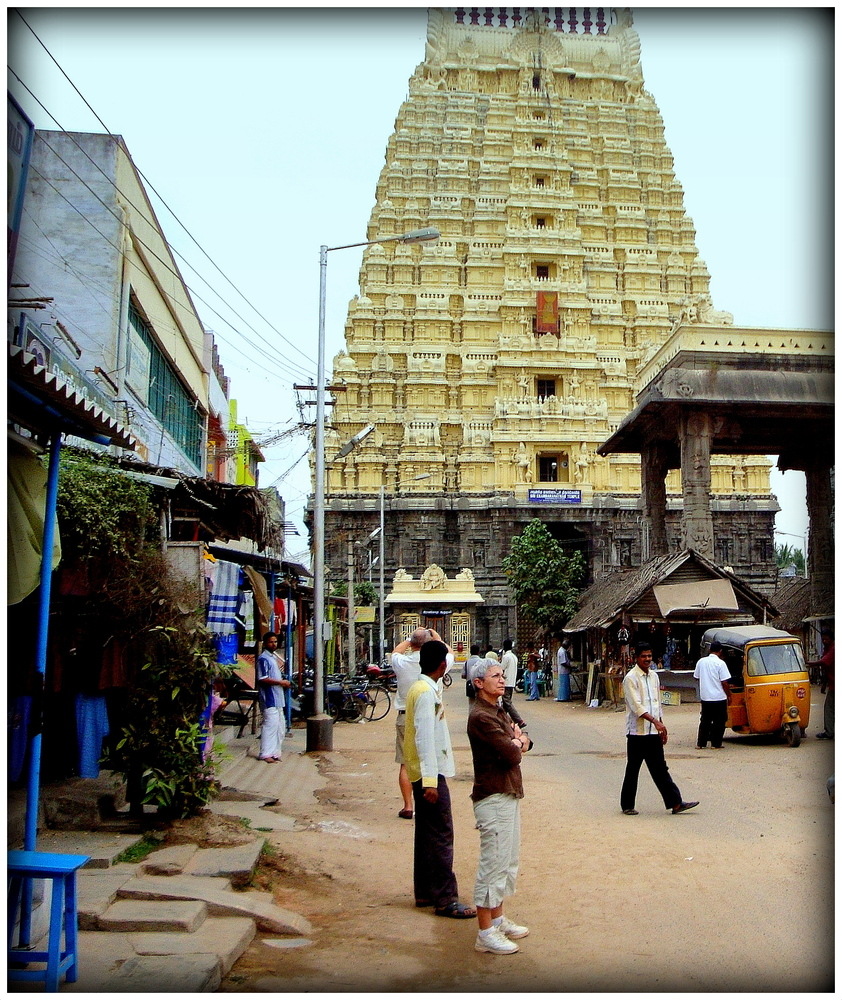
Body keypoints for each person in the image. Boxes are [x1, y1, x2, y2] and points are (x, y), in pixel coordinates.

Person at [404, 639, 476, 919]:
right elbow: (424, 738)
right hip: (428, 774)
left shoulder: (424, 687)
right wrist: (430, 781)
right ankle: (445, 897)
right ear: (442, 665)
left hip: (423, 771)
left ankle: (425, 890)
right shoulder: (424, 693)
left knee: (426, 833)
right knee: (441, 834)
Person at [467, 658, 530, 955]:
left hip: (508, 790)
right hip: (493, 794)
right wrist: (516, 743)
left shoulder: (499, 710)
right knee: (492, 864)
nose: (502, 680)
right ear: (479, 683)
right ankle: (485, 932)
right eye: (495, 676)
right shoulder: (481, 716)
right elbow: (512, 752)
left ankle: (498, 918)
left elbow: (523, 740)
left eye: (502, 675)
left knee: (507, 860)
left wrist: (518, 741)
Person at [620, 642, 698, 816]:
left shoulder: (654, 676)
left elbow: (656, 703)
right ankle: (627, 805)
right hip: (637, 733)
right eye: (643, 656)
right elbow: (636, 707)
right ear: (636, 658)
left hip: (654, 732)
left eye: (649, 656)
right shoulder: (631, 678)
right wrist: (656, 722)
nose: (647, 659)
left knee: (660, 769)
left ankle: (676, 803)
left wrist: (661, 725)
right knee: (633, 769)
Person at [392, 627, 455, 819]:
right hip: (431, 715)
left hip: (404, 715)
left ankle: (408, 805)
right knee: (430, 750)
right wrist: (435, 635)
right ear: (442, 666)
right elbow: (449, 652)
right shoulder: (427, 688)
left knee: (405, 762)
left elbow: (396, 651)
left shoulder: (402, 662)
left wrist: (411, 640)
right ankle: (425, 793)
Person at [256, 632, 290, 763]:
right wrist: (280, 682)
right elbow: (262, 678)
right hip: (269, 698)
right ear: (265, 643)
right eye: (271, 642)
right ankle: (265, 753)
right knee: (270, 726)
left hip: (278, 698)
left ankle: (275, 752)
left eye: (275, 642)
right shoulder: (263, 659)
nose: (274, 644)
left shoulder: (273, 658)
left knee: (280, 726)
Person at [693, 640, 731, 749]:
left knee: (705, 720)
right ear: (720, 651)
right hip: (719, 697)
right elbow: (724, 682)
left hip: (706, 697)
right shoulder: (721, 663)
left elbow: (696, 677)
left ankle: (701, 743)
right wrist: (729, 695)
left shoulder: (701, 662)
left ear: (709, 650)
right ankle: (716, 743)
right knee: (720, 721)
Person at [808, 629, 835, 740]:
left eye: (826, 639)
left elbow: (824, 662)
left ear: (831, 639)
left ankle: (829, 732)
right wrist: (824, 685)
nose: (824, 641)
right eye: (823, 639)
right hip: (832, 683)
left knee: (829, 708)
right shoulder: (827, 649)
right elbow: (826, 669)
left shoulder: (833, 649)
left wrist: (810, 663)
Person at [500, 640, 527, 728]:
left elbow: (501, 668)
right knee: (505, 704)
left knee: (507, 702)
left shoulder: (506, 657)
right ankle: (502, 720)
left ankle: (519, 720)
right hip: (512, 682)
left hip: (506, 681)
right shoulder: (514, 656)